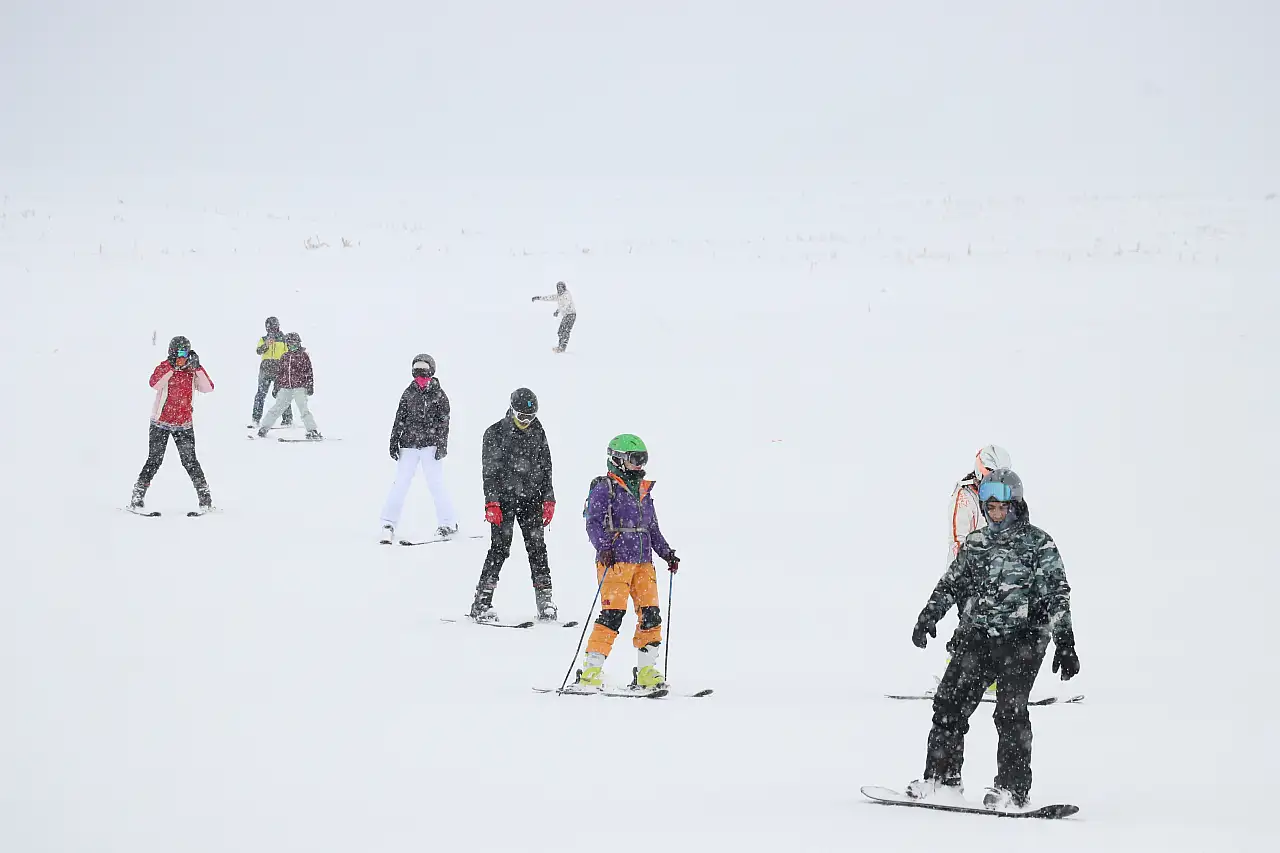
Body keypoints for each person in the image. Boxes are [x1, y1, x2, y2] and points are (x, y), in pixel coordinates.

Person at [906, 468, 1080, 810]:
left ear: (1015, 505)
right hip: (979, 637)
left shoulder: (1038, 543)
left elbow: (1058, 594)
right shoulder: (976, 543)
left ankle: (1012, 790)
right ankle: (942, 780)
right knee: (949, 703)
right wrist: (929, 615)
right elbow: (951, 584)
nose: (996, 514)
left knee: (1009, 712)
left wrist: (1066, 642)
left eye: (1002, 507)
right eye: (990, 508)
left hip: (1024, 640)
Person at [575, 434, 680, 691]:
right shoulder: (604, 488)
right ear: (619, 460)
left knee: (650, 614)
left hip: (643, 563)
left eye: (644, 459)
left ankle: (646, 671)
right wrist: (603, 547)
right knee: (612, 615)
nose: (641, 465)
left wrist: (666, 552)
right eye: (636, 459)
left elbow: (652, 527)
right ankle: (591, 671)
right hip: (616, 562)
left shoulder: (644, 490)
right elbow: (593, 523)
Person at [469, 388, 558, 623]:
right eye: (522, 417)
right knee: (500, 548)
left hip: (531, 499)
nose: (527, 422)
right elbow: (489, 472)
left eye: (531, 417)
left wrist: (548, 497)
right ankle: (482, 602)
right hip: (504, 500)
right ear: (511, 410)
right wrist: (492, 502)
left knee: (537, 548)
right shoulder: (495, 433)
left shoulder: (538, 431)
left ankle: (545, 601)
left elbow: (546, 466)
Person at [938, 444, 1013, 695]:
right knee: (971, 621)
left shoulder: (1002, 496)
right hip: (966, 572)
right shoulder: (965, 496)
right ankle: (954, 674)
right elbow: (959, 538)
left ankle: (989, 677)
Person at [129, 335, 215, 510]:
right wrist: (171, 366)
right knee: (154, 460)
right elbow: (154, 383)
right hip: (160, 423)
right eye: (179, 352)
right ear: (171, 353)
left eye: (186, 352)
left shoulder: (192, 372)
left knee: (190, 461)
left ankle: (205, 499)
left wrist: (197, 367)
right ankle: (137, 496)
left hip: (183, 424)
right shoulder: (165, 367)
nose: (182, 356)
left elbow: (208, 387)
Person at [380, 353, 457, 542]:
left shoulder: (439, 395)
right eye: (417, 372)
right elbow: (400, 418)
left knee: (436, 483)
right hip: (408, 445)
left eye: (424, 372)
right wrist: (394, 440)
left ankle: (447, 523)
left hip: (430, 446)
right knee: (400, 484)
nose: (420, 377)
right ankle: (388, 523)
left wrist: (441, 445)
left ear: (432, 371)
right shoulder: (409, 393)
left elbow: (444, 422)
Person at [256, 333, 321, 440]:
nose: (292, 346)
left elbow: (309, 372)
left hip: (300, 386)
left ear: (298, 343)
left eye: (294, 343)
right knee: (277, 407)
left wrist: (310, 386)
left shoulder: (303, 356)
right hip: (286, 387)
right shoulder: (285, 356)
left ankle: (312, 430)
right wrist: (277, 387)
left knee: (303, 408)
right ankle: (264, 427)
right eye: (289, 344)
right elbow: (280, 373)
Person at [250, 316, 293, 428]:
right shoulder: (264, 339)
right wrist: (266, 344)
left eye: (273, 326)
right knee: (260, 394)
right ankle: (255, 419)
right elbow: (259, 351)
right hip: (265, 369)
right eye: (269, 327)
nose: (271, 329)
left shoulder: (284, 339)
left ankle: (287, 419)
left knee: (283, 394)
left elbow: (289, 353)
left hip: (279, 369)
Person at [531, 281, 576, 353]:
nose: (559, 289)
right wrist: (538, 297)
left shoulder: (567, 294)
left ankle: (562, 348)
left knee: (566, 331)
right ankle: (560, 346)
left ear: (564, 288)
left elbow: (565, 305)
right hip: (566, 315)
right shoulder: (558, 296)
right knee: (560, 331)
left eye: (561, 287)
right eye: (558, 288)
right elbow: (549, 298)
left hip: (571, 315)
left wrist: (558, 311)